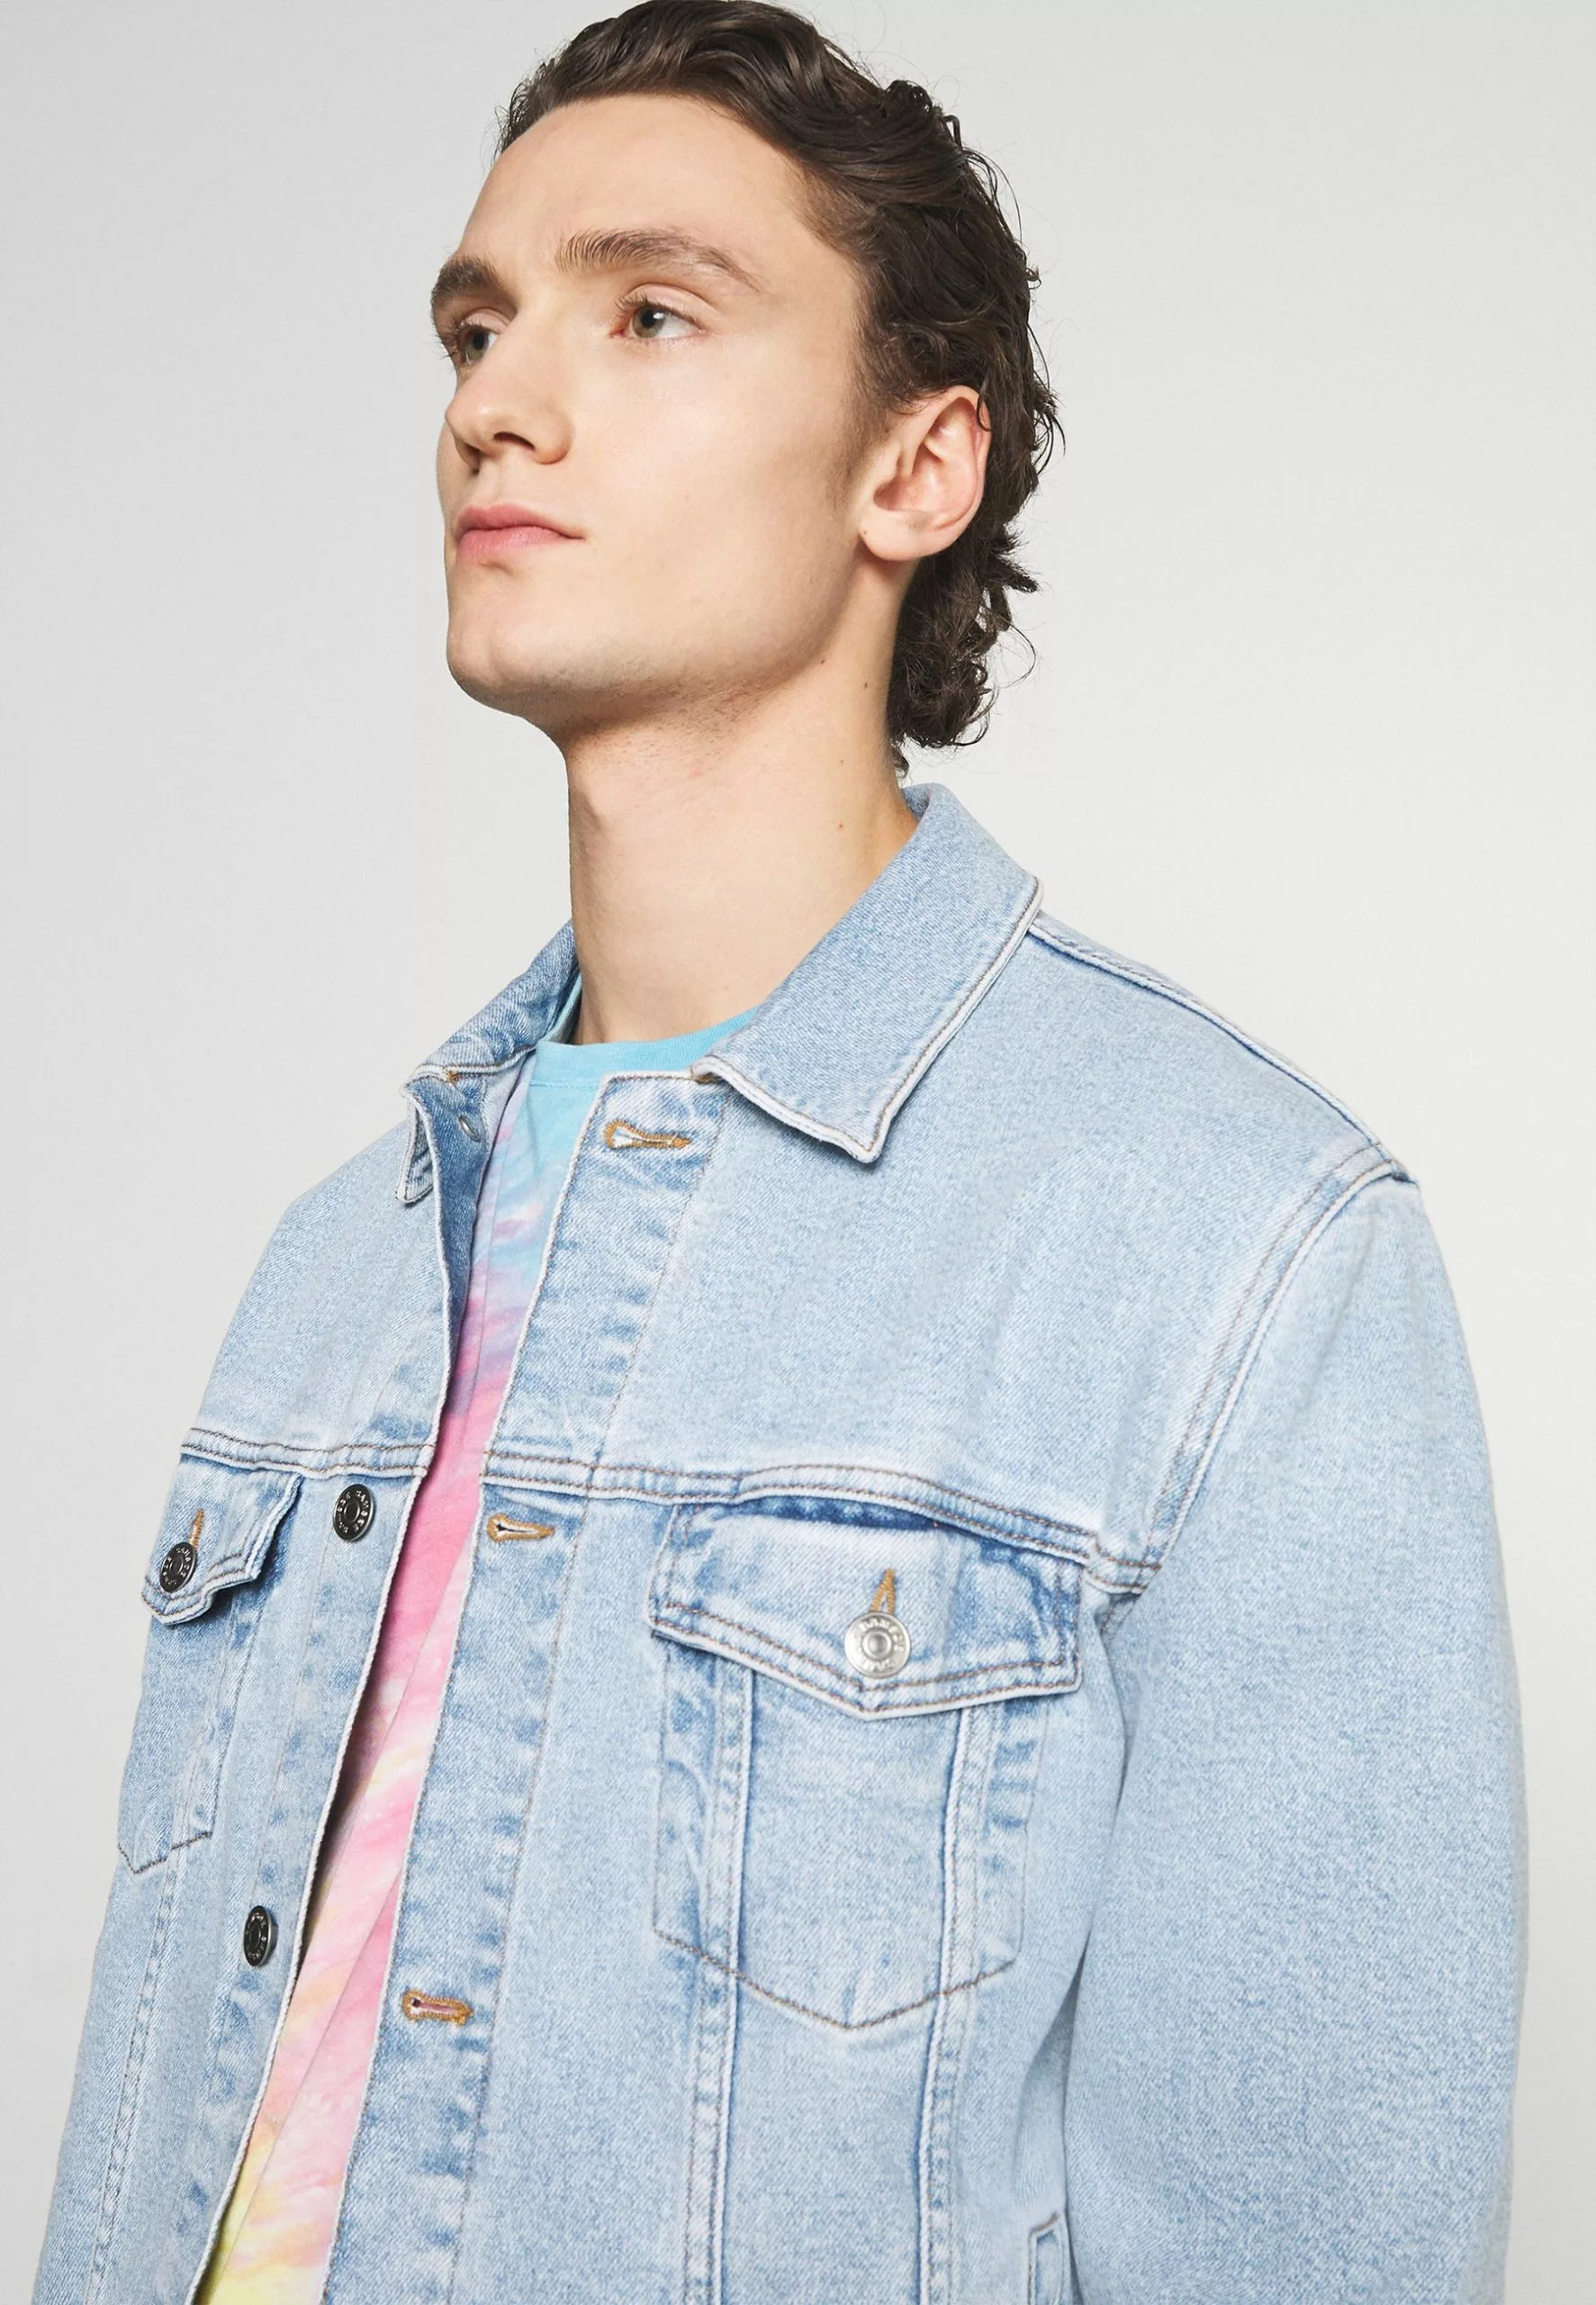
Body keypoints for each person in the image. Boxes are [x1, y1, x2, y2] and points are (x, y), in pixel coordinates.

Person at [33, 5, 1524, 2300]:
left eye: (648, 313)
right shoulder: (343, 1257)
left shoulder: (1235, 1255)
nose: (496, 404)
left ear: (914, 468)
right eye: (474, 327)